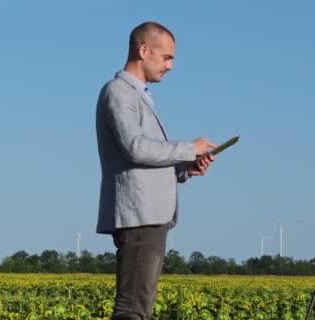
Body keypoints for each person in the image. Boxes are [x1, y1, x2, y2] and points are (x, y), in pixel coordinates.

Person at [95, 21, 217, 319]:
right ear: (143, 50)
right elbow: (135, 147)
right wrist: (189, 149)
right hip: (139, 215)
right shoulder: (119, 92)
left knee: (140, 307)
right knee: (132, 310)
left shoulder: (139, 94)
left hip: (149, 216)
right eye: (167, 57)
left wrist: (184, 169)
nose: (171, 66)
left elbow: (141, 159)